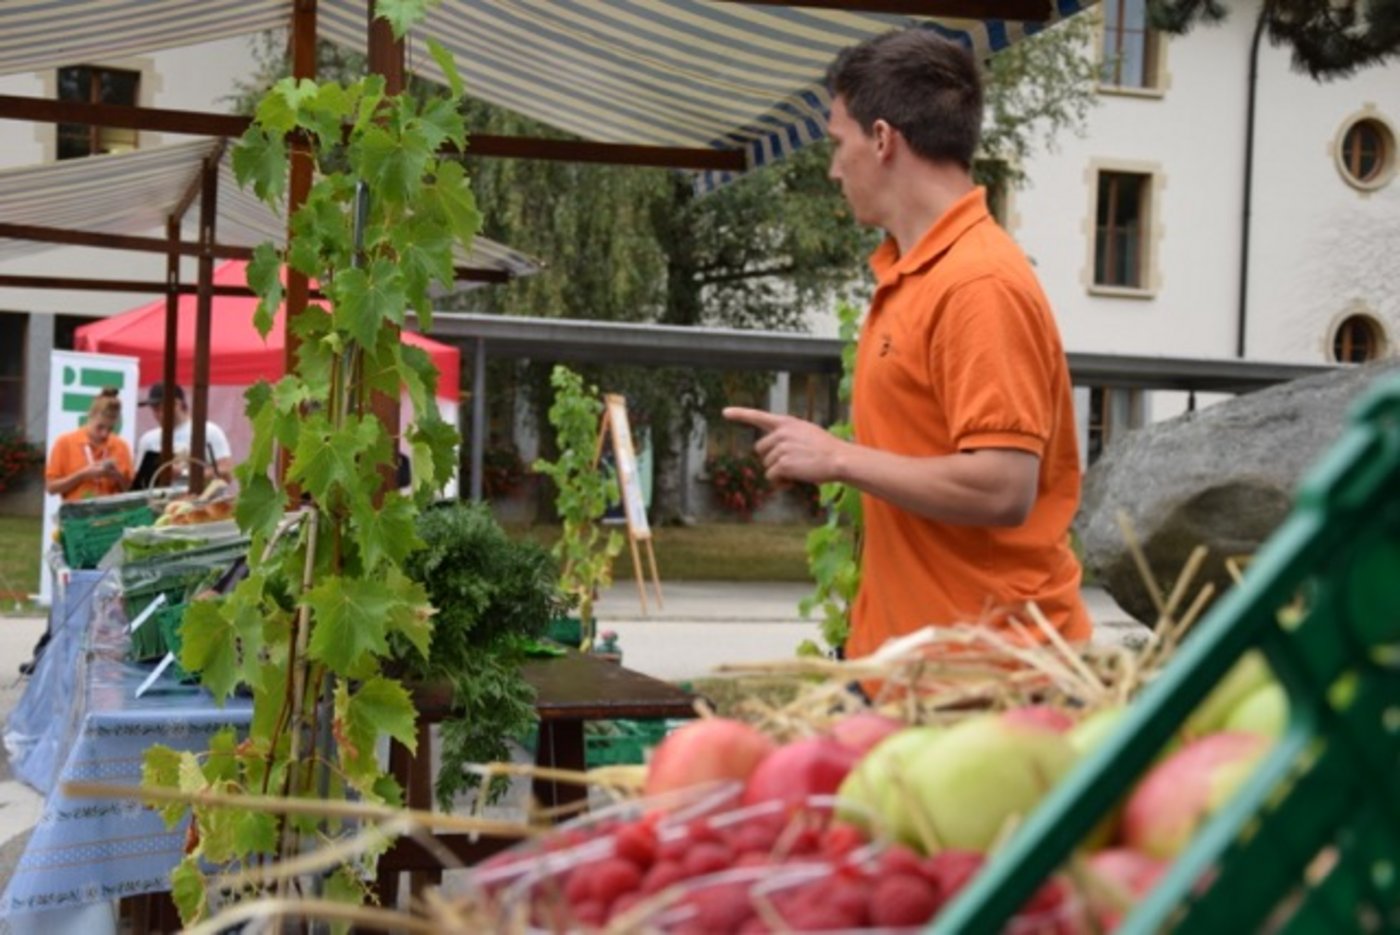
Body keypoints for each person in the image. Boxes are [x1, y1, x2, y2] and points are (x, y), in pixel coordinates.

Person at [724, 29, 1090, 660]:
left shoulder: (978, 282)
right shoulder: (916, 271)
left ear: (884, 139)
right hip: (918, 666)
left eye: (839, 144)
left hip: (987, 678)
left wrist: (839, 459)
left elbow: (1003, 487)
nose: (835, 168)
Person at [44, 387, 133, 502]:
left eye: (110, 429)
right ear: (90, 417)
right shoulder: (65, 443)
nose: (104, 434)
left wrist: (117, 476)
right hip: (76, 515)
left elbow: (132, 491)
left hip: (112, 515)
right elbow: (51, 488)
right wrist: (82, 475)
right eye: (100, 427)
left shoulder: (121, 446)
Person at [134, 383, 233, 485]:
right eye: (155, 410)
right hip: (161, 499)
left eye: (161, 408)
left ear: (177, 404)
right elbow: (140, 481)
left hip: (202, 499)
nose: (158, 414)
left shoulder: (209, 431)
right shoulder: (147, 440)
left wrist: (183, 473)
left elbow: (226, 473)